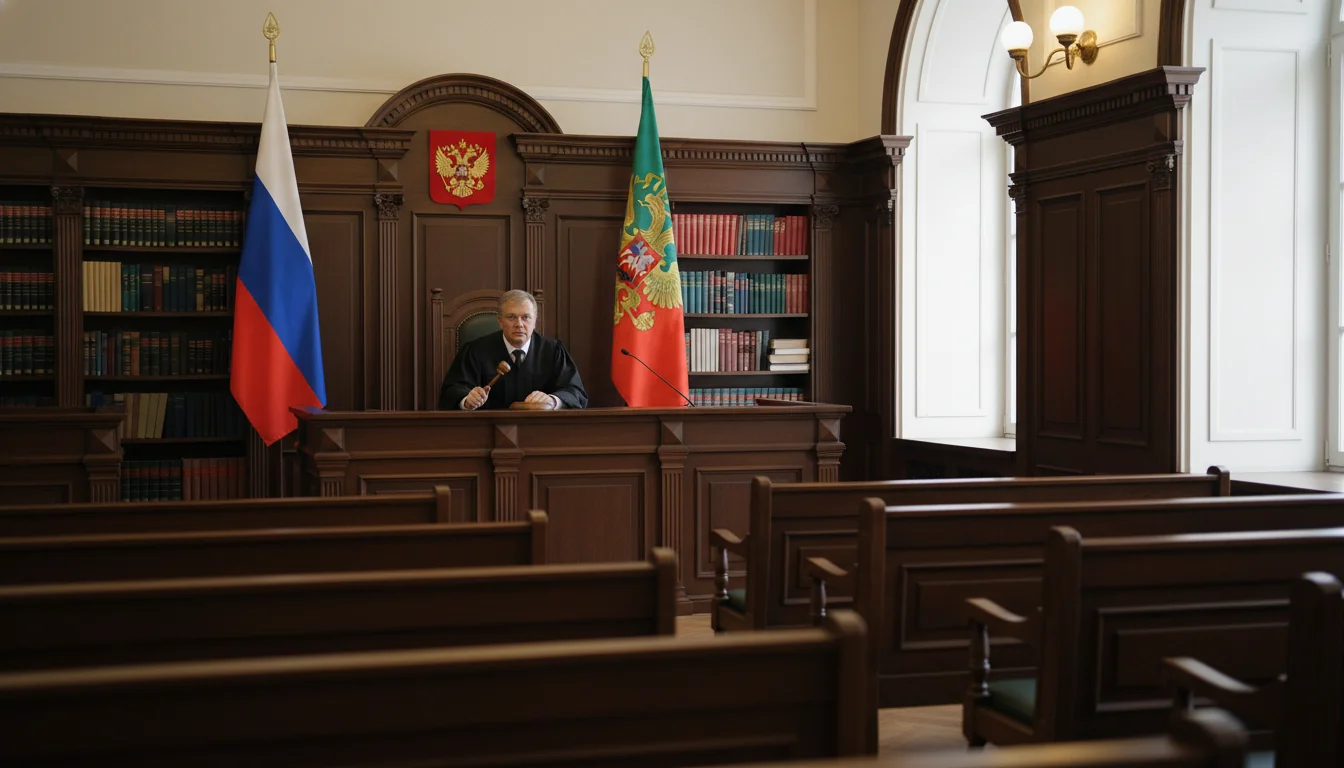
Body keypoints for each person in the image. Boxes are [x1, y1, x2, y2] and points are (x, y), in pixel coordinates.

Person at [438, 290, 588, 411]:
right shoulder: (476, 351)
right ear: (500, 321)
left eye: (526, 317)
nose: (519, 324)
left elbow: (576, 393)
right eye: (511, 317)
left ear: (535, 320)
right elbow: (451, 391)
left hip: (542, 430)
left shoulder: (553, 350)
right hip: (486, 430)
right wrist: (466, 400)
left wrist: (553, 401)